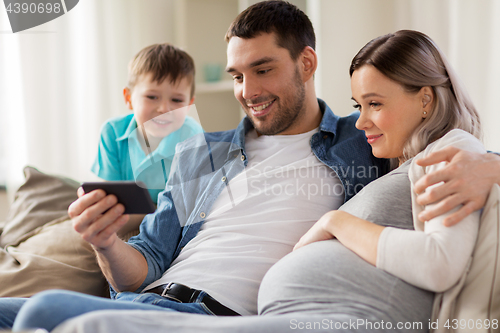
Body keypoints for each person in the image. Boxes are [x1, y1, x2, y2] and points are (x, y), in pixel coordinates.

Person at [1, 1, 498, 331]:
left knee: (45, 311)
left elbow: (441, 140)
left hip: (219, 314)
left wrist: (491, 169)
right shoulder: (199, 153)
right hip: (145, 301)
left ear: (306, 63)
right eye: (238, 75)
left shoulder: (362, 137)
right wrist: (105, 242)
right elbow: (142, 267)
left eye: (264, 70)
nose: (248, 91)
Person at [0, 43, 203, 299]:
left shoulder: (193, 138)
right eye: (152, 97)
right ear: (129, 97)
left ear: (189, 104)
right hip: (124, 217)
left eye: (176, 100)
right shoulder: (113, 131)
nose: (164, 108)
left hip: (165, 223)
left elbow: (185, 211)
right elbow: (111, 194)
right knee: (81, 229)